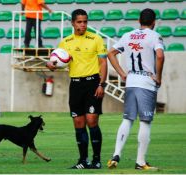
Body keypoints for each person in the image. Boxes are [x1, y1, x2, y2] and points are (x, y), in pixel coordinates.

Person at [47, 9, 108, 169]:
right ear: (73, 23)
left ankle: (96, 160)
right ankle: (82, 161)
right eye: (79, 22)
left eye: (85, 21)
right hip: (75, 85)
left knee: (91, 120)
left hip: (93, 83)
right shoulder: (65, 43)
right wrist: (51, 65)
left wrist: (102, 84)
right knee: (78, 122)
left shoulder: (96, 39)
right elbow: (58, 63)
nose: (83, 25)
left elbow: (103, 63)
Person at [106, 8, 165, 170]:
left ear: (139, 21)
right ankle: (140, 162)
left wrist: (122, 74)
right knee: (145, 121)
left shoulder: (128, 35)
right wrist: (158, 77)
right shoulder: (155, 36)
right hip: (146, 80)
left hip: (131, 80)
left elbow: (110, 53)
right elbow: (160, 55)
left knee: (127, 119)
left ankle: (116, 154)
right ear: (154, 23)